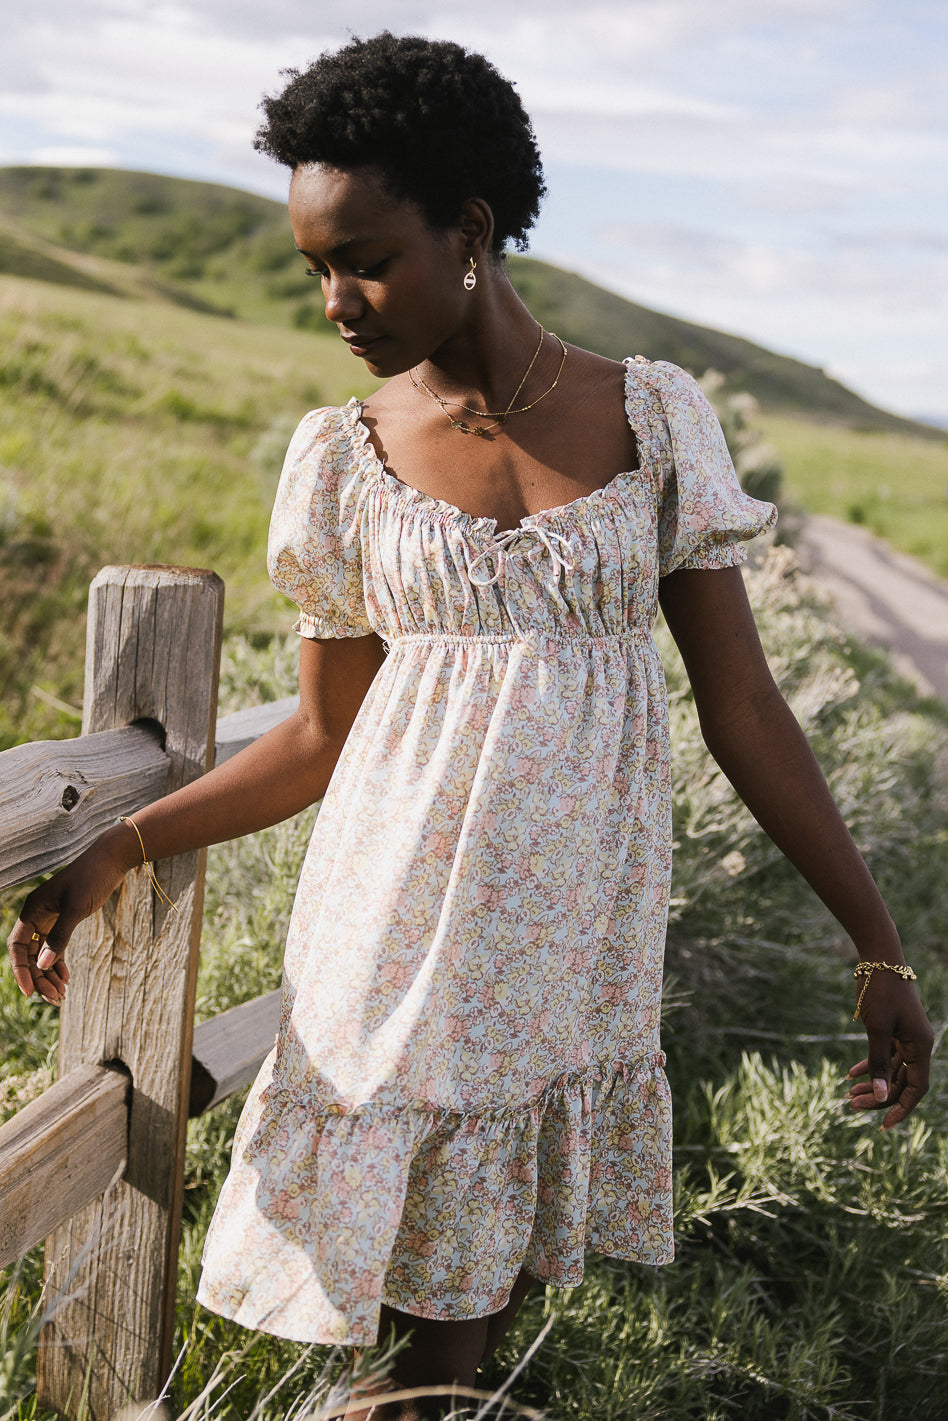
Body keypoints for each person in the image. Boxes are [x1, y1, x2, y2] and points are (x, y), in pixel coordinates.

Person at [7, 31, 933, 1421]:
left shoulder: (651, 418)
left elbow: (744, 707)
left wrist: (876, 940)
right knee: (406, 1334)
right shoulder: (344, 457)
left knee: (455, 1335)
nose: (336, 300)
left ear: (472, 229)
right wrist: (121, 842)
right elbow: (319, 738)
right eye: (314, 269)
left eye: (366, 258)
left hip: (563, 949)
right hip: (390, 934)